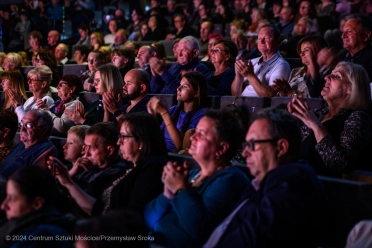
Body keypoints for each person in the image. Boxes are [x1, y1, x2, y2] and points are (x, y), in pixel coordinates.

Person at [204, 107, 328, 248]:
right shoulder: (263, 181)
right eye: (245, 145)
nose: (244, 153)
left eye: (252, 144)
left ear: (281, 147)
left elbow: (250, 239)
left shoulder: (292, 185)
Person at [145, 109, 250, 248]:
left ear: (221, 148)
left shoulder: (230, 180)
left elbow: (200, 230)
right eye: (195, 131)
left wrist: (179, 190)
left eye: (202, 134)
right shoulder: (192, 174)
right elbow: (148, 218)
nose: (192, 137)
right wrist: (167, 194)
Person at [49, 112, 166, 216]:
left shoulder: (150, 170)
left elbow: (112, 214)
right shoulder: (131, 168)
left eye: (123, 137)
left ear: (141, 141)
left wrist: (68, 182)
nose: (119, 142)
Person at [288, 62, 372, 177]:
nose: (327, 77)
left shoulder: (358, 118)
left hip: (330, 188)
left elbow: (340, 164)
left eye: (337, 76)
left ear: (350, 88)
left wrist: (316, 125)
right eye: (330, 74)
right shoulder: (320, 114)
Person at [0, 166, 72, 248]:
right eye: (7, 197)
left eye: (12, 199)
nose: (3, 206)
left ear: (37, 203)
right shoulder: (17, 225)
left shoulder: (42, 237)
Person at [147, 71, 208, 152]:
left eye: (185, 86)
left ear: (196, 93)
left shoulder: (202, 114)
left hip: (175, 157)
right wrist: (153, 116)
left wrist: (164, 113)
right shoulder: (174, 109)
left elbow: (181, 146)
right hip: (160, 151)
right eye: (180, 84)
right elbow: (158, 136)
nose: (178, 88)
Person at [231, 24, 291, 98]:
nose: (262, 42)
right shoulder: (252, 62)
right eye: (259, 39)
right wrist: (239, 76)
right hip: (240, 105)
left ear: (278, 41)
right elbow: (235, 95)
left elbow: (270, 96)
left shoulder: (282, 65)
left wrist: (250, 75)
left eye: (266, 38)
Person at [0, 109, 58, 178]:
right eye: (21, 124)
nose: (22, 129)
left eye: (29, 125)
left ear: (44, 130)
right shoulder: (21, 144)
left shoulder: (46, 152)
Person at [318, 14, 372, 82]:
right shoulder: (342, 54)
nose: (343, 36)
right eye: (343, 32)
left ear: (366, 36)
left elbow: (363, 84)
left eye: (349, 31)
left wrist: (337, 64)